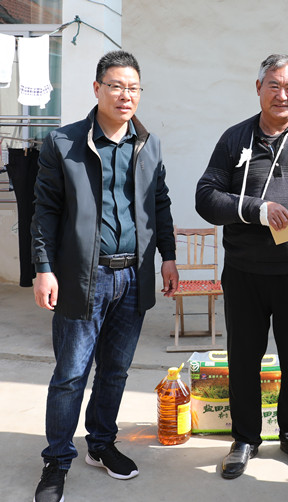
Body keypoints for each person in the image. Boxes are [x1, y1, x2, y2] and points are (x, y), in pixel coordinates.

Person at [31, 50, 179, 502]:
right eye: (116, 86)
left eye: (133, 88)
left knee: (115, 370)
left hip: (133, 277)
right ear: (97, 89)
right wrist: (43, 269)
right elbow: (45, 211)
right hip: (83, 277)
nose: (125, 95)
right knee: (71, 374)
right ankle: (57, 461)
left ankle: (100, 443)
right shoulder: (64, 143)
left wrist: (168, 257)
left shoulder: (148, 144)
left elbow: (160, 204)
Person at [195, 54, 288, 479]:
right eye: (273, 85)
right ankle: (245, 438)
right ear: (258, 88)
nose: (282, 94)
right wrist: (257, 210)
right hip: (245, 273)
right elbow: (206, 197)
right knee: (244, 358)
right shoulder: (234, 139)